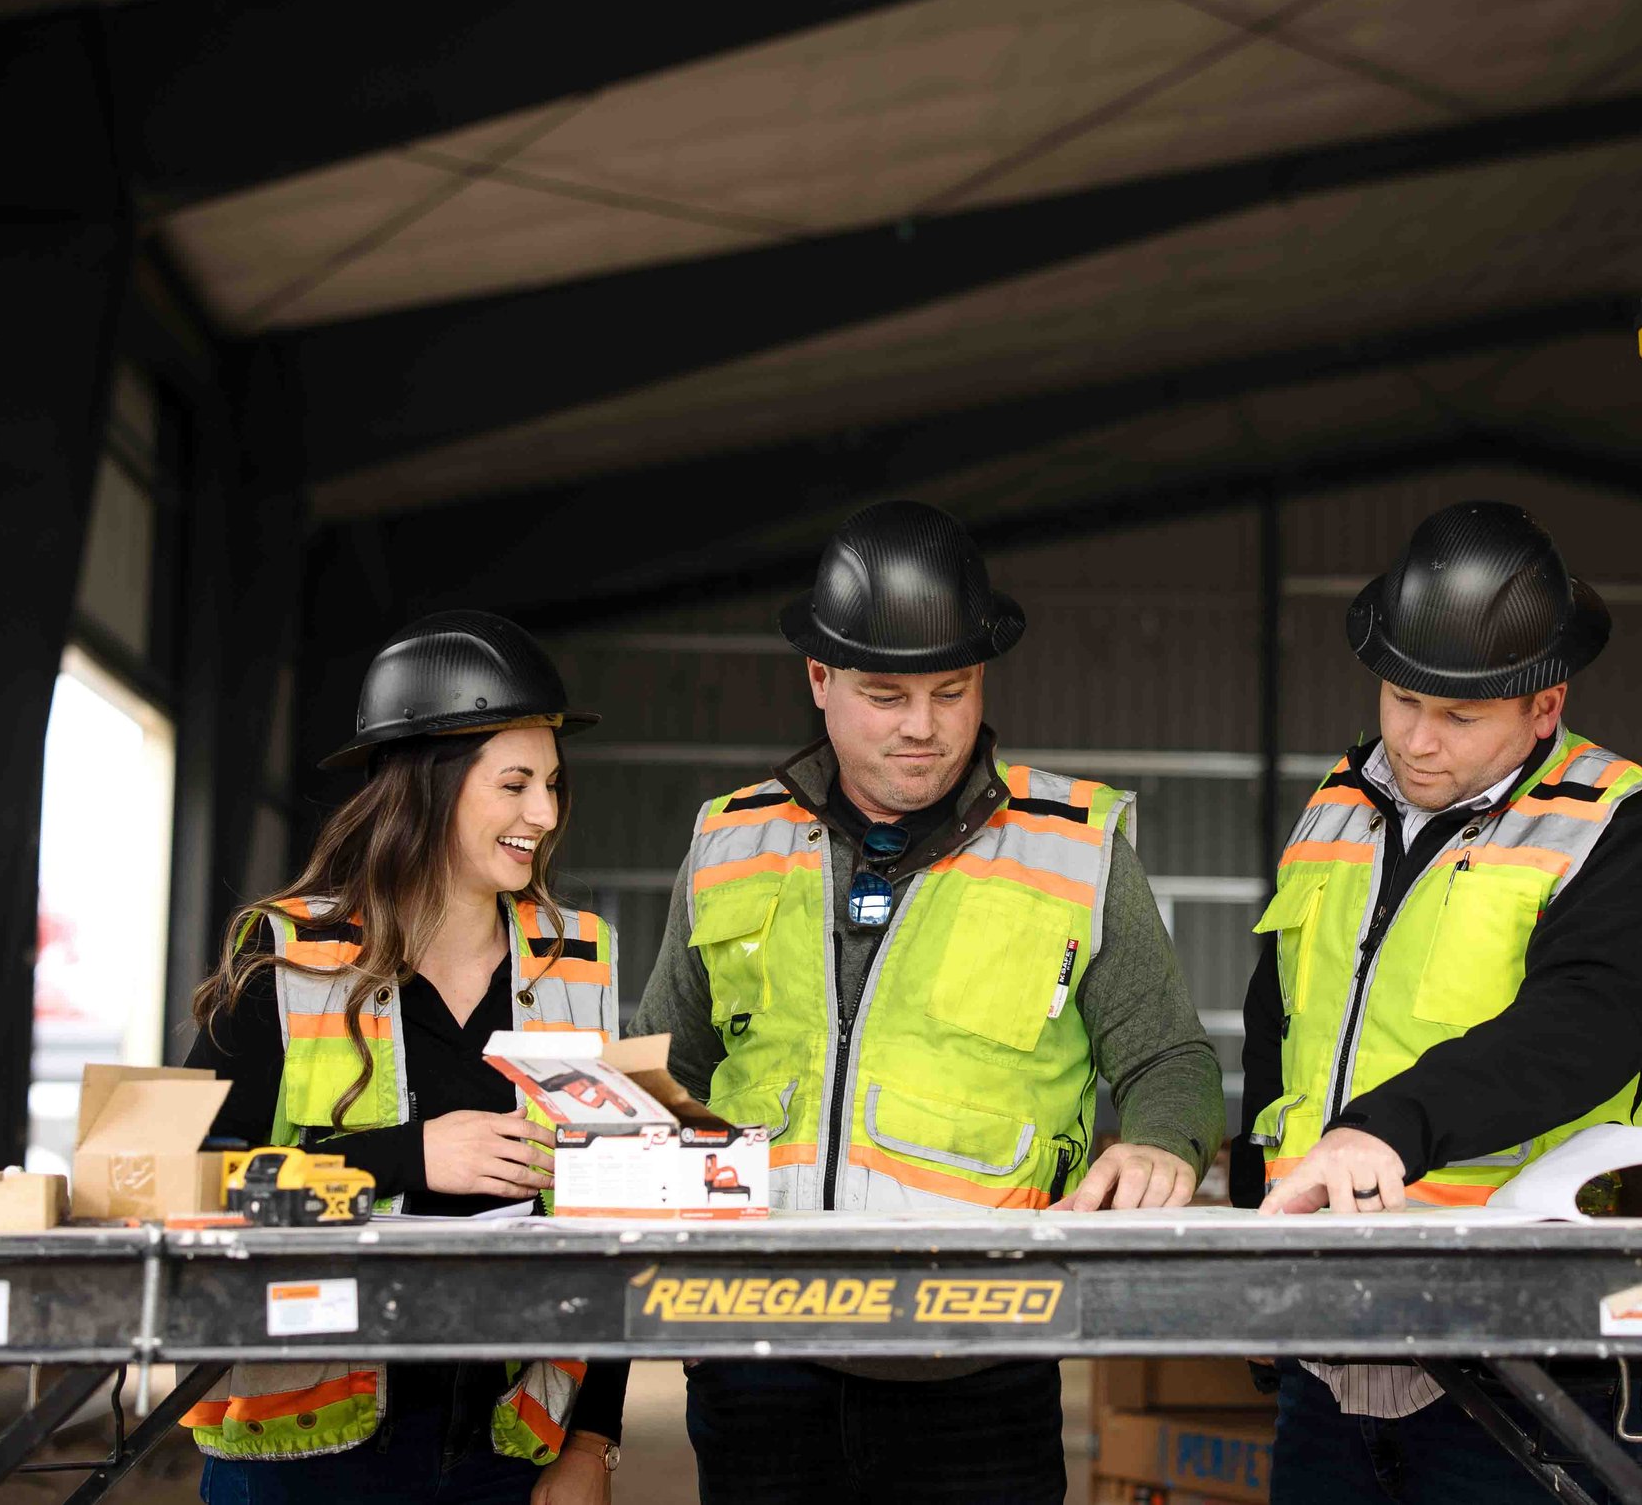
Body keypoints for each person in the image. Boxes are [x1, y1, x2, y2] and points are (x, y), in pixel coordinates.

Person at [634, 499, 1224, 1505]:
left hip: (980, 1364)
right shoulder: (729, 839)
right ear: (818, 678)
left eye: (951, 690)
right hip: (754, 1357)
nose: (922, 725)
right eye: (885, 693)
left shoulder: (1075, 845)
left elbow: (1171, 1056)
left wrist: (1163, 1143)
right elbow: (663, 1074)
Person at [1234, 503, 1642, 1504]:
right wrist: (1250, 1230)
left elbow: (1582, 1029)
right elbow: (1279, 1021)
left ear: (1543, 703)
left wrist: (1389, 1127)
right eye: (1403, 699)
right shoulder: (1337, 801)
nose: (1416, 740)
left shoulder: (1623, 827)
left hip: (1523, 1341)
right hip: (1329, 1334)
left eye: (1458, 716)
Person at [183, 611, 624, 1505]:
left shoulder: (576, 958)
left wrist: (592, 1444)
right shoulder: (288, 958)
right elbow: (190, 1181)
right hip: (306, 1462)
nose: (543, 813)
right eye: (514, 783)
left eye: (550, 782)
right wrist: (410, 1156)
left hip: (506, 1450)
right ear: (428, 785)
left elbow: (610, 1216)